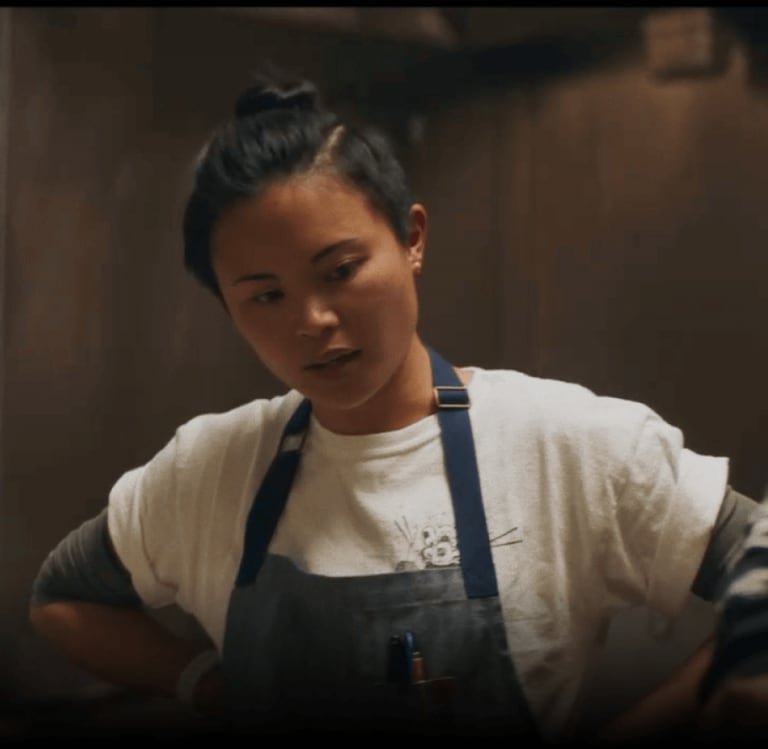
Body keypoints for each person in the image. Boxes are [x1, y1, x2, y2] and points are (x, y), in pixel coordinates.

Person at [26, 70, 763, 742]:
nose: (312, 320)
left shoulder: (559, 441)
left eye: (340, 270)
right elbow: (63, 597)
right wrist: (206, 684)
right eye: (266, 295)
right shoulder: (212, 468)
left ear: (411, 238)